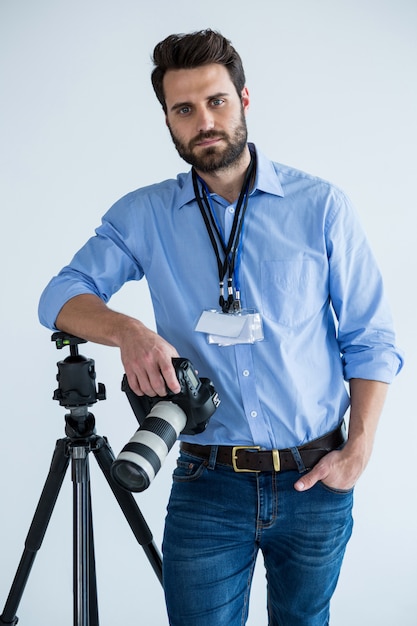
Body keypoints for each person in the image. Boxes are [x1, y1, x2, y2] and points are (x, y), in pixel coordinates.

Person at [38, 29, 403, 626]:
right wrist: (127, 330)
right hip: (206, 482)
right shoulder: (144, 214)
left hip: (316, 479)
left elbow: (371, 338)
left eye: (216, 101)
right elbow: (59, 295)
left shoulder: (321, 206)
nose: (203, 120)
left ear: (244, 100)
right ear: (168, 121)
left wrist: (358, 449)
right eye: (184, 109)